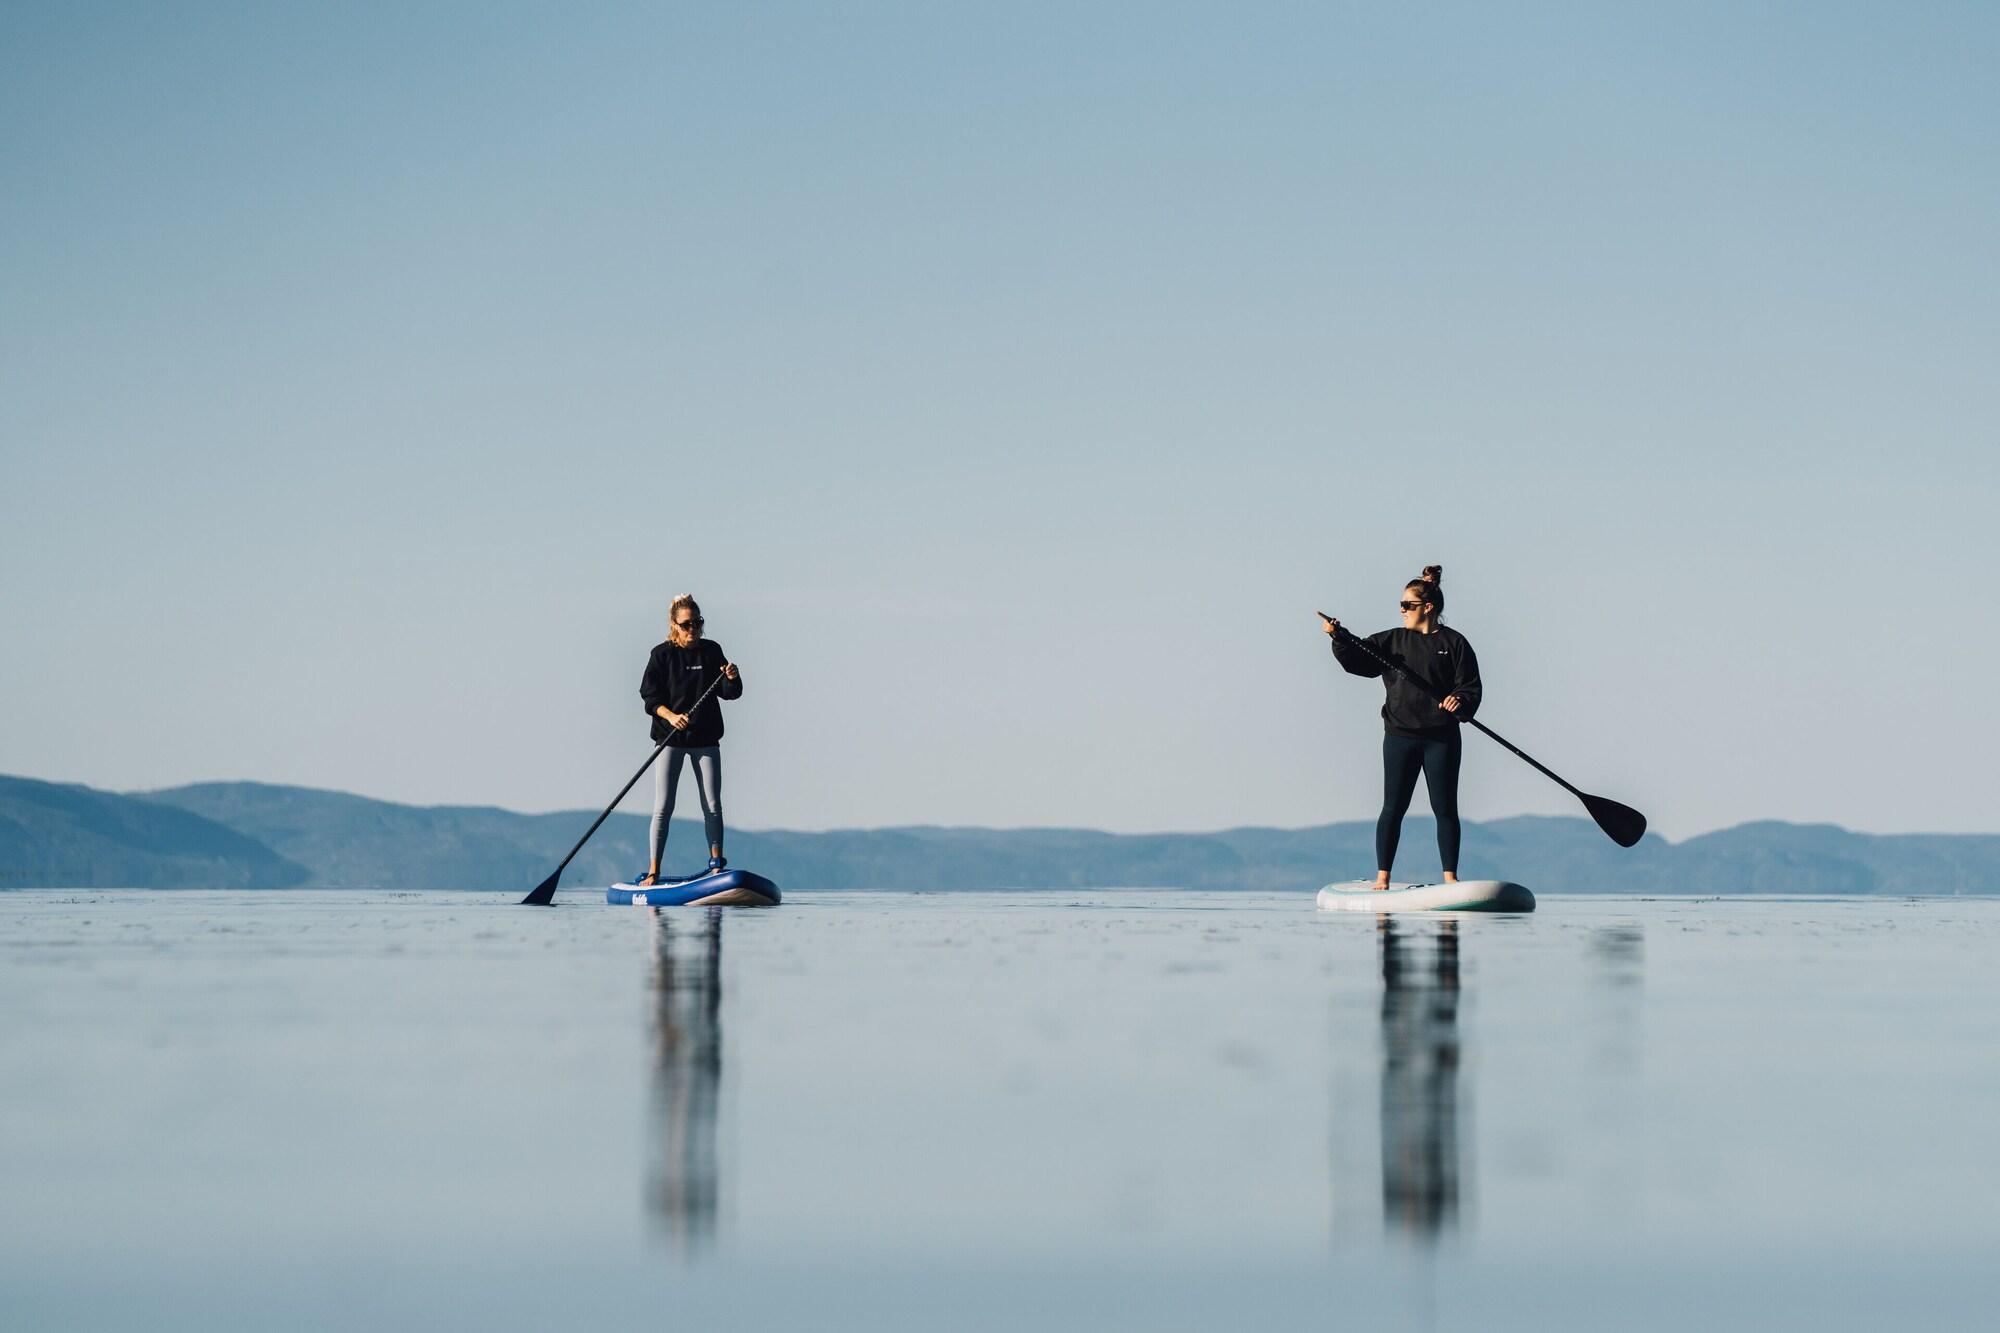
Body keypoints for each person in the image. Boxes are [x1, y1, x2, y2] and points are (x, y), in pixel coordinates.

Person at [1321, 566, 1481, 889]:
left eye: (1408, 605)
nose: (1402, 610)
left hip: (1442, 739)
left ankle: (1450, 878)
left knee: (1445, 809)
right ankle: (1383, 878)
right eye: (1401, 605)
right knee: (1393, 807)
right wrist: (1338, 639)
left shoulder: (1454, 644)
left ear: (1428, 608)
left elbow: (1471, 687)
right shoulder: (1391, 641)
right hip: (1400, 738)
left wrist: (1459, 702)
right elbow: (1357, 661)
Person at [637, 594, 743, 885]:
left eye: (697, 623)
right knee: (664, 806)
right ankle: (654, 871)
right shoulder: (661, 655)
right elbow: (649, 697)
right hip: (670, 739)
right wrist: (671, 716)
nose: (692, 629)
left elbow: (729, 692)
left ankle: (716, 866)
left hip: (705, 738)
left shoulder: (711, 652)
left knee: (712, 804)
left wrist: (732, 677)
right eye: (686, 625)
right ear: (674, 625)